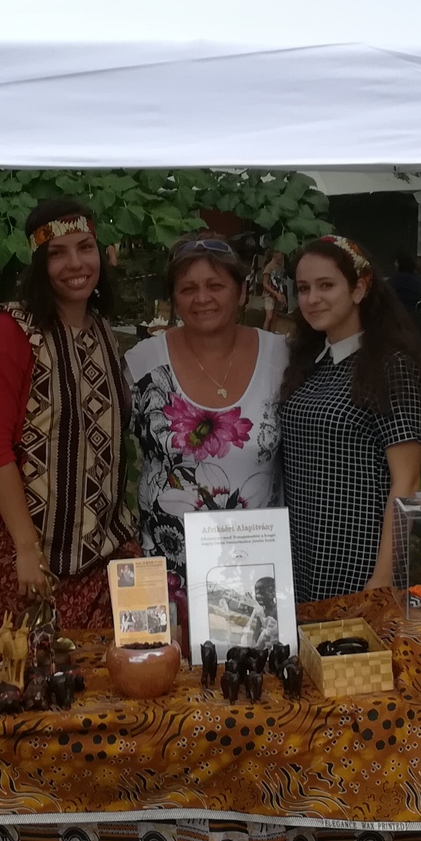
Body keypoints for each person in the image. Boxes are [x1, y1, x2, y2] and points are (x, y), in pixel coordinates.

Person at [0, 198, 135, 632]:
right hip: (25, 554)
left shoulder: (103, 330)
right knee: (31, 670)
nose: (75, 263)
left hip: (104, 550)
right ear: (39, 263)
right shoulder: (12, 331)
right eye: (58, 253)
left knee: (114, 669)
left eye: (85, 247)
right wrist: (27, 548)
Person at [126, 234, 287, 590]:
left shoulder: (282, 358)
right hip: (167, 566)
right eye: (188, 289)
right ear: (174, 298)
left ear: (241, 292)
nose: (202, 298)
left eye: (216, 286)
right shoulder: (142, 364)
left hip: (257, 570)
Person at [277, 235, 421, 602]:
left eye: (326, 285)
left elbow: (407, 481)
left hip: (359, 564)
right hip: (302, 559)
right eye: (303, 288)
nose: (312, 299)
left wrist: (382, 578)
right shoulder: (308, 363)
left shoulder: (389, 366)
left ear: (359, 289)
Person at [389, 253, 421, 338]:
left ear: (400, 264)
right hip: (420, 318)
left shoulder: (396, 279)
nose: (394, 264)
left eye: (396, 262)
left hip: (402, 319)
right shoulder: (417, 278)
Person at [258, 248, 290, 332]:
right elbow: (265, 284)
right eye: (280, 253)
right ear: (274, 254)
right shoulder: (269, 267)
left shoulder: (281, 268)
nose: (281, 255)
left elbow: (281, 283)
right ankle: (264, 333)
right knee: (269, 316)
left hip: (278, 294)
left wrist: (282, 295)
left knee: (275, 317)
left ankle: (272, 334)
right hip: (269, 295)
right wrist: (275, 293)